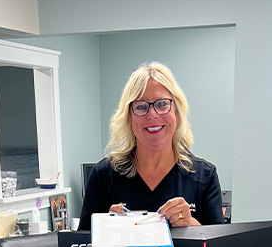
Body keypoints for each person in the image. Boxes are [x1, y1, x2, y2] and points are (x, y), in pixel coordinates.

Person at [78, 62, 224, 231]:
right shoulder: (103, 176)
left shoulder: (204, 177)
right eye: (141, 107)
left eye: (162, 104)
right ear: (129, 118)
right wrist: (105, 228)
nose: (152, 115)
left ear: (176, 111)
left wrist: (190, 223)